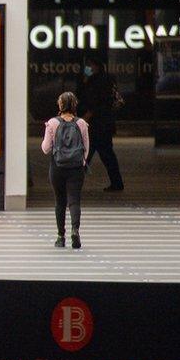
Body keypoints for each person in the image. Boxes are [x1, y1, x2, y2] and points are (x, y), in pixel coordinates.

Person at [41, 92, 90, 249]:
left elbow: (46, 149)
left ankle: (60, 236)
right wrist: (80, 162)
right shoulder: (81, 123)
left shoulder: (52, 123)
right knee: (74, 201)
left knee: (59, 202)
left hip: (57, 167)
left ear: (60, 105)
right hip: (76, 168)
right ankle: (75, 230)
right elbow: (86, 148)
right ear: (75, 105)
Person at [78, 58, 124, 191]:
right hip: (98, 124)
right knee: (101, 153)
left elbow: (102, 102)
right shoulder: (89, 80)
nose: (87, 68)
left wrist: (89, 114)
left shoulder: (103, 81)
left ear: (97, 66)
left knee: (89, 153)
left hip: (100, 123)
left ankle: (74, 182)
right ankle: (117, 182)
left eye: (90, 65)